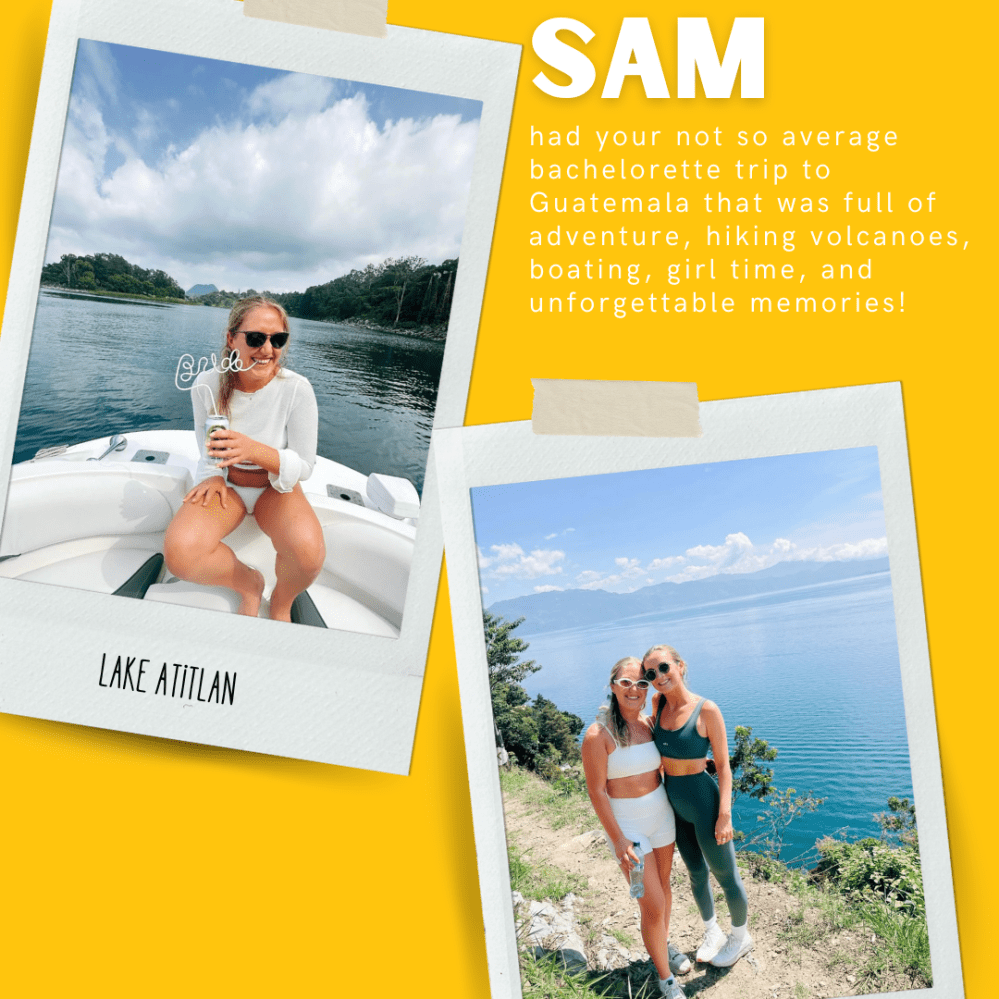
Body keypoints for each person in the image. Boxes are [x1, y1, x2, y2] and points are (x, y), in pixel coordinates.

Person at [164, 296, 326, 621]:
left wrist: (254, 450)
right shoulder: (207, 384)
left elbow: (305, 466)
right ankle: (249, 583)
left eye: (277, 339)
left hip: (275, 488)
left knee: (309, 555)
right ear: (231, 338)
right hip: (229, 488)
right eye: (256, 338)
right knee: (180, 554)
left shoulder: (297, 389)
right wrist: (211, 474)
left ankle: (281, 601)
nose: (267, 349)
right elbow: (207, 446)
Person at [581, 657, 691, 999]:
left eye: (641, 683)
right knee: (652, 904)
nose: (634, 690)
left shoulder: (648, 723)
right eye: (625, 683)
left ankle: (663, 945)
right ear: (612, 686)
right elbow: (597, 791)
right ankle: (665, 980)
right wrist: (618, 840)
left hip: (662, 818)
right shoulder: (598, 734)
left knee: (666, 890)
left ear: (647, 690)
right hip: (630, 829)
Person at [645, 644, 753, 969]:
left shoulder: (706, 710)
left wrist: (724, 814)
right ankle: (712, 931)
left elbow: (723, 766)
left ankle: (741, 937)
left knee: (726, 875)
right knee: (694, 873)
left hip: (704, 803)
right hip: (674, 805)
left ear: (680, 665)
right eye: (651, 673)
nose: (659, 677)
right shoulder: (657, 703)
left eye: (664, 667)